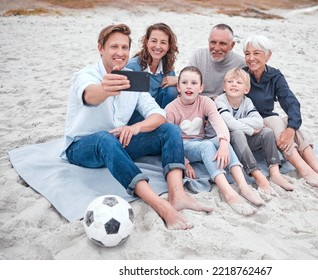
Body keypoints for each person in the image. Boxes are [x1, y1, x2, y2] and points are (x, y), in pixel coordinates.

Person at [61, 23, 213, 231]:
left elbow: (158, 114)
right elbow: (90, 95)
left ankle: (177, 194)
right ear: (100, 49)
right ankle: (161, 205)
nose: (120, 52)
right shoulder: (86, 76)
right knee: (105, 138)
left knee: (170, 129)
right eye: (114, 47)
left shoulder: (133, 79)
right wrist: (105, 89)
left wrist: (136, 128)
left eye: (124, 48)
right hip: (82, 147)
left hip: (118, 142)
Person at [242, 34, 318, 188]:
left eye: (256, 53)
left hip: (270, 122)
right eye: (247, 54)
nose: (251, 58)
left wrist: (291, 128)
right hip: (251, 124)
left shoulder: (275, 75)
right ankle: (304, 170)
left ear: (268, 56)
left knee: (289, 122)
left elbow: (291, 102)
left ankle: (317, 168)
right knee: (276, 121)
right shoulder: (242, 75)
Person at [165, 66, 265, 216]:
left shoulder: (205, 102)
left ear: (201, 88)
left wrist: (224, 144)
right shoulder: (171, 109)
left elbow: (220, 124)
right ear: (178, 87)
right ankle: (228, 193)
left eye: (194, 83)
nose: (189, 87)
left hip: (201, 141)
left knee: (219, 141)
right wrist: (185, 162)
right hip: (184, 146)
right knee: (207, 145)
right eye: (184, 83)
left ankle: (243, 186)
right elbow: (169, 142)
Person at [215, 68, 295, 194]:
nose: (234, 84)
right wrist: (250, 130)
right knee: (237, 132)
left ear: (246, 90)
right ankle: (257, 174)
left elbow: (259, 121)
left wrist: (237, 122)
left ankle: (275, 172)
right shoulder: (220, 100)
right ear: (224, 87)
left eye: (239, 82)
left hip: (245, 139)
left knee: (267, 132)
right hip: (228, 142)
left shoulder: (247, 102)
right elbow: (228, 123)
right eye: (230, 81)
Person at [126, 23, 179, 124]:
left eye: (163, 42)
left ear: (168, 46)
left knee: (172, 90)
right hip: (135, 117)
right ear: (146, 42)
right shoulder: (133, 67)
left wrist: (179, 81)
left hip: (159, 114)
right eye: (154, 41)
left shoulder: (167, 69)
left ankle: (163, 122)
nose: (158, 46)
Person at [189, 23, 246, 99]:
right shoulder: (198, 56)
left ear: (232, 45)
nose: (216, 48)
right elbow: (188, 83)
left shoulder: (241, 64)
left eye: (222, 44)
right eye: (213, 42)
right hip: (198, 101)